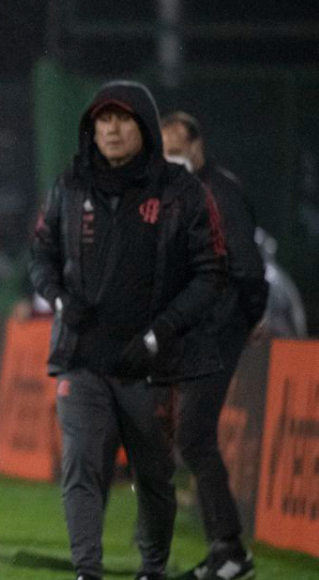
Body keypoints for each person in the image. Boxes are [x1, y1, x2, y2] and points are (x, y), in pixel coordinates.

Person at [30, 81, 228, 580]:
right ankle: (87, 572)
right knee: (80, 468)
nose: (112, 129)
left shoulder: (183, 193)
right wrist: (56, 298)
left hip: (152, 365)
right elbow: (41, 255)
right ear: (90, 129)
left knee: (155, 476)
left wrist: (162, 332)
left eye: (123, 119)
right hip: (81, 358)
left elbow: (211, 274)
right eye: (103, 120)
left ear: (143, 127)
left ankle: (152, 569)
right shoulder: (69, 186)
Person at [161, 112, 266, 580]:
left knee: (193, 434)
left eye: (174, 148)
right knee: (192, 435)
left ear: (197, 144)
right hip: (201, 332)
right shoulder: (188, 193)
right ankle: (225, 550)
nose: (169, 158)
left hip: (218, 331)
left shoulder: (218, 191)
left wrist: (239, 320)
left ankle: (231, 552)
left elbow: (247, 268)